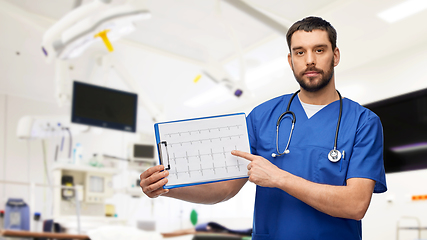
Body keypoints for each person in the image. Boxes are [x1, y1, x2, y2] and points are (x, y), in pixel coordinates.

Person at [140, 16, 387, 239]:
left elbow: (355, 205)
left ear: (335, 55)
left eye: (319, 50)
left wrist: (279, 178)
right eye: (299, 52)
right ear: (291, 61)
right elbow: (225, 188)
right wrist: (167, 188)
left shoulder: (363, 123)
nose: (309, 60)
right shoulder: (262, 117)